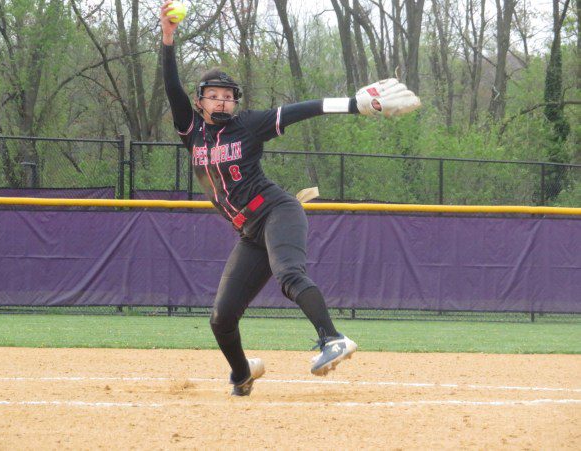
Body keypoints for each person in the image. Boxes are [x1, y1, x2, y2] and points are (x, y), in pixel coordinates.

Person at [160, 1, 420, 396]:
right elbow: (171, 86)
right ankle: (242, 373)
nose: (222, 102)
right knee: (221, 318)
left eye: (229, 96)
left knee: (289, 275)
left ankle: (332, 338)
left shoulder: (247, 125)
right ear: (200, 102)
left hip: (278, 212)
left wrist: (351, 105)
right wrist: (167, 38)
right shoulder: (191, 131)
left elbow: (299, 111)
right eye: (214, 96)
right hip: (249, 233)